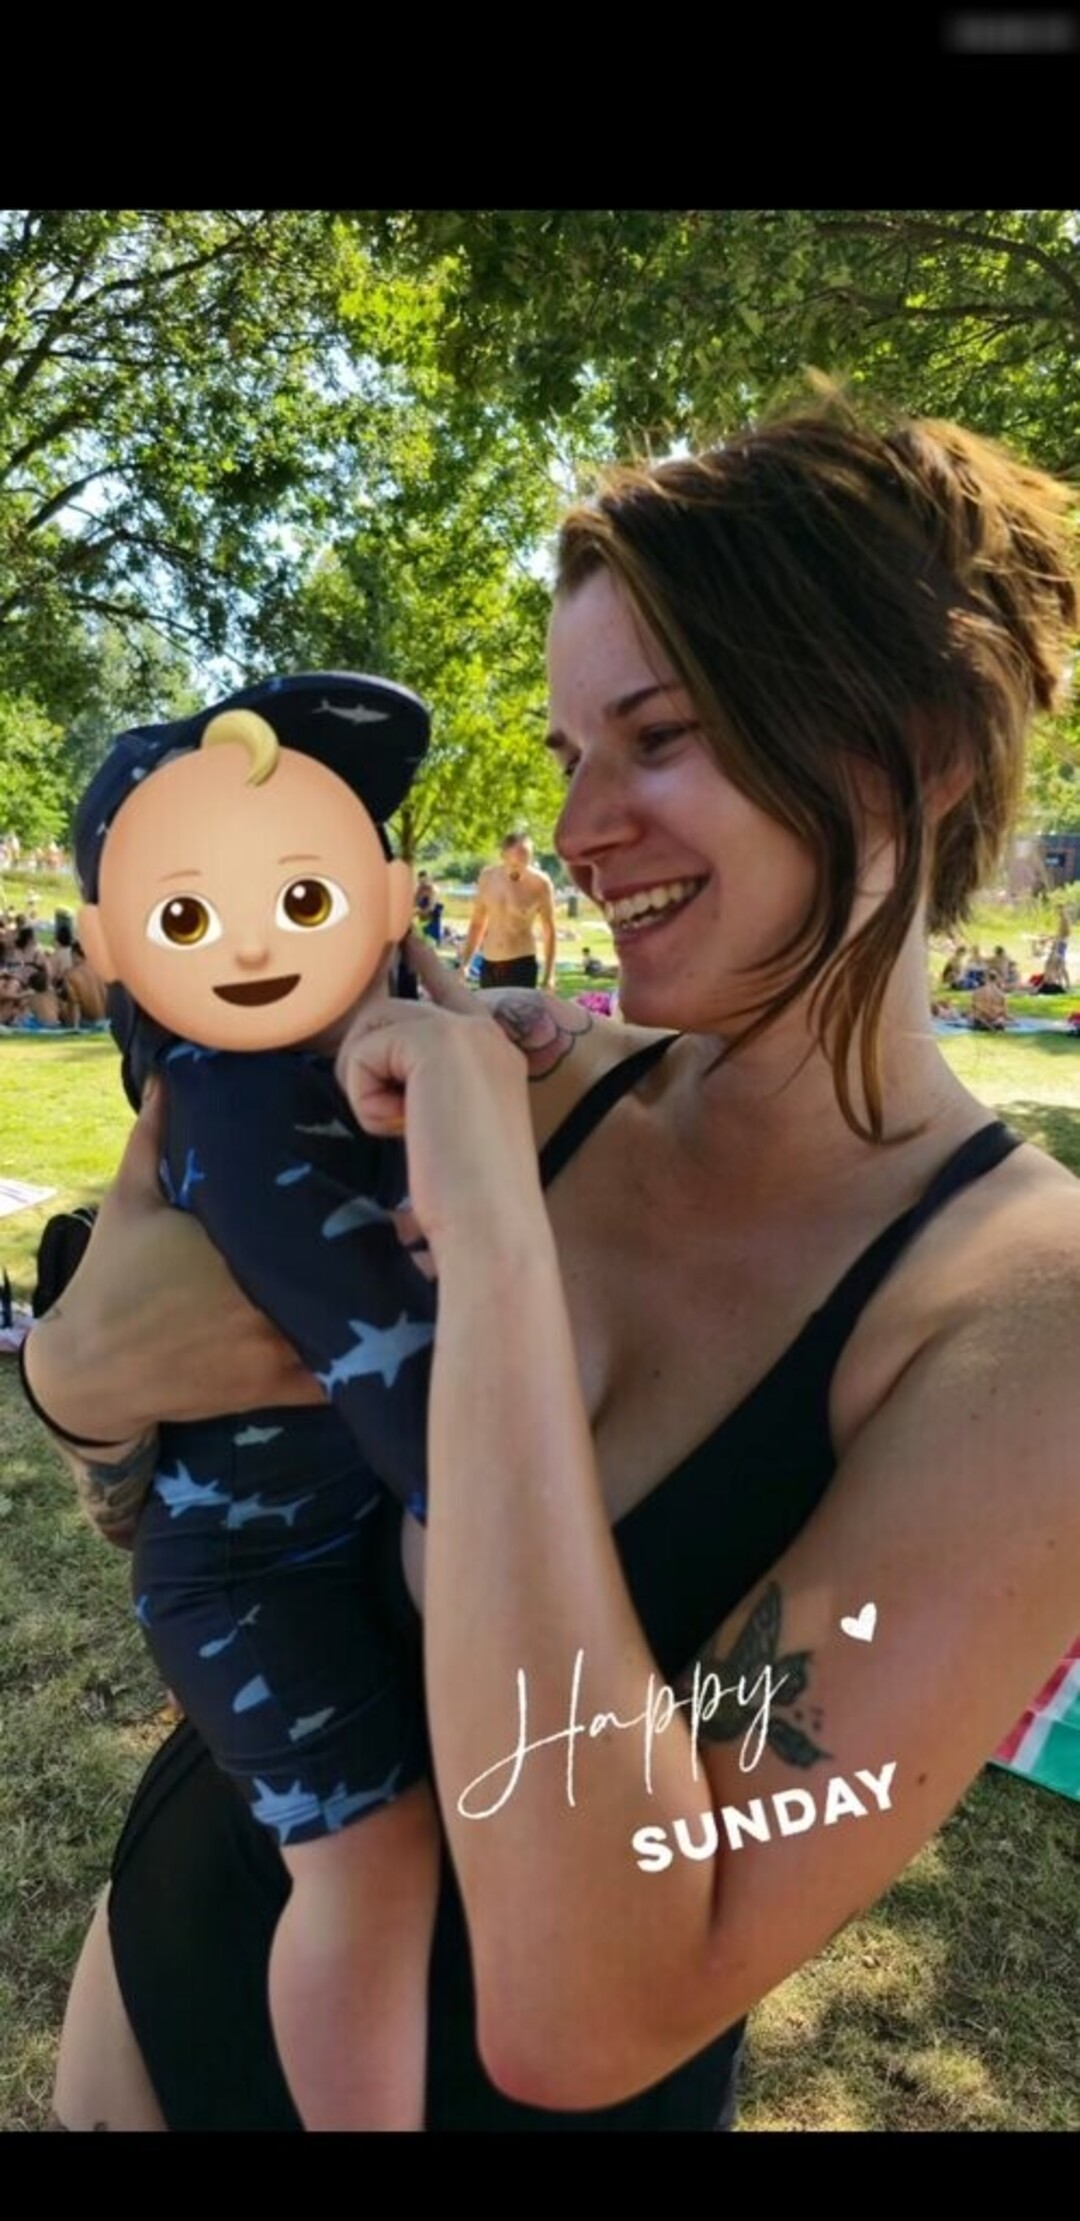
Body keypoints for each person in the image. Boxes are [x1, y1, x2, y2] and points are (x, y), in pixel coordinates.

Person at [34, 393, 1080, 2132]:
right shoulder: (508, 1073)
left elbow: (590, 2013)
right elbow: (171, 1442)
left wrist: (500, 1258)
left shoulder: (1023, 1318)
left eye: (655, 736)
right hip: (153, 1997)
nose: (579, 827)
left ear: (910, 748)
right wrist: (77, 1383)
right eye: (570, 752)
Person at [58, 672, 446, 2132]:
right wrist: (483, 1501)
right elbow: (368, 1336)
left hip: (305, 1546)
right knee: (373, 1862)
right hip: (253, 1571)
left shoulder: (331, 1057)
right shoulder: (238, 1095)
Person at [460, 830, 557, 990]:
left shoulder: (541, 884)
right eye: (514, 865)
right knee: (487, 1007)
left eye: (525, 862)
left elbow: (549, 931)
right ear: (503, 856)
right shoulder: (487, 878)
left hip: (521, 964)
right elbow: (477, 924)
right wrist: (465, 963)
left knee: (517, 1007)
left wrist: (549, 974)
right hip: (489, 963)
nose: (519, 870)